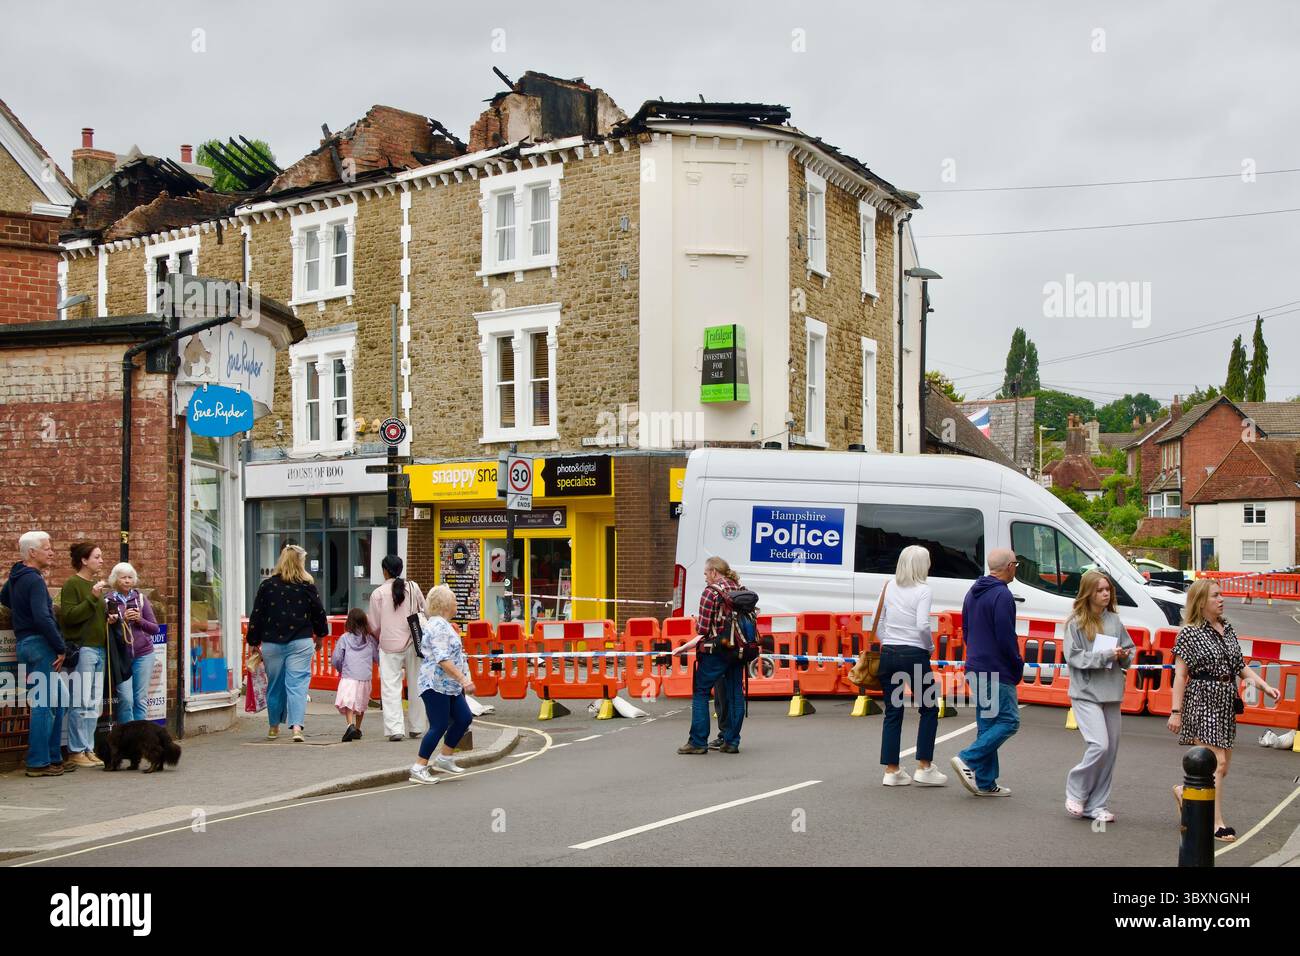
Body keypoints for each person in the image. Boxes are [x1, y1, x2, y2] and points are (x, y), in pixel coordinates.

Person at [1168, 579, 1280, 842]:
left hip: (1226, 700)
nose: (1222, 599)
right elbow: (1180, 675)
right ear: (1201, 601)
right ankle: (1215, 822)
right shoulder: (1189, 633)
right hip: (1202, 699)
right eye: (1216, 595)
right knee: (1216, 763)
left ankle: (1186, 792)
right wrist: (1176, 711)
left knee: (1223, 766)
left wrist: (1264, 686)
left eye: (1221, 594)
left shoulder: (1227, 628)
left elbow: (1240, 666)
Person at [1063, 570, 1135, 823]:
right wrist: (1105, 656)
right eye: (1100, 590)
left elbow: (1130, 649)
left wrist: (1124, 655)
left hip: (1111, 692)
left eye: (1108, 590)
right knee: (1099, 745)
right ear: (1088, 593)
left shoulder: (1114, 620)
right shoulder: (1076, 623)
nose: (1105, 594)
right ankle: (1076, 790)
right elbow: (1074, 658)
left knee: (1111, 750)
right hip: (1085, 693)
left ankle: (1097, 805)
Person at [951, 547, 1023, 796]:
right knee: (1009, 721)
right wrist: (1016, 663)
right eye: (1016, 564)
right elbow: (1006, 637)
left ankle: (985, 781)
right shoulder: (1002, 595)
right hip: (996, 667)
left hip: (976, 664)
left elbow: (967, 629)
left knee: (988, 722)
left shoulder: (973, 592)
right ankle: (968, 758)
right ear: (1009, 566)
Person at [1, 532, 72, 777]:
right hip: (41, 646)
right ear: (32, 552)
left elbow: (4, 598)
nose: (51, 552)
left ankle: (53, 757)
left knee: (59, 700)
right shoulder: (34, 580)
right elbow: (42, 617)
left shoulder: (16, 576)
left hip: (27, 643)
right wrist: (60, 647)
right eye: (47, 548)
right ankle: (38, 762)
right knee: (44, 706)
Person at [878, 545, 947, 787]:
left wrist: (887, 642)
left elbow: (880, 624)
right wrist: (928, 647)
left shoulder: (888, 586)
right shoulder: (923, 590)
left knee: (893, 711)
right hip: (914, 653)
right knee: (929, 708)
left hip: (888, 652)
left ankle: (891, 770)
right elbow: (922, 625)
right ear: (921, 565)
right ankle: (924, 766)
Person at [246, 545, 329, 743]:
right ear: (300, 562)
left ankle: (273, 727)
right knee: (297, 685)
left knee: (274, 685)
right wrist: (320, 636)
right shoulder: (307, 586)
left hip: (272, 644)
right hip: (300, 642)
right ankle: (297, 728)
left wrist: (253, 641)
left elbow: (257, 614)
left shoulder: (267, 586)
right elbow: (319, 612)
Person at [676, 556, 746, 755]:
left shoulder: (711, 592)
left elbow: (703, 628)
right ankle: (731, 741)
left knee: (701, 692)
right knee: (735, 693)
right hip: (738, 649)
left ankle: (698, 741)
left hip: (717, 650)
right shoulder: (740, 589)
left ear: (714, 572)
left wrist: (697, 622)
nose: (706, 578)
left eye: (706, 573)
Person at [409, 585, 475, 784]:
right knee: (438, 726)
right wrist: (463, 679)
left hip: (449, 685)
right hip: (435, 684)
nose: (457, 603)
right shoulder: (437, 626)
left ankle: (445, 758)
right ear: (446, 604)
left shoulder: (444, 625)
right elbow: (442, 658)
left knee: (464, 718)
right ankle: (419, 767)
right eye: (454, 600)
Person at [60, 542, 111, 768]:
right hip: (84, 649)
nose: (101, 561)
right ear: (84, 560)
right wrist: (92, 597)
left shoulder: (94, 585)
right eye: (97, 557)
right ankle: (76, 750)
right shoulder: (73, 584)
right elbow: (69, 616)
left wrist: (109, 618)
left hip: (100, 648)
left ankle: (88, 747)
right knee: (80, 701)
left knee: (93, 703)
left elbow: (93, 615)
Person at [368, 555, 429, 742]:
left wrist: (380, 637)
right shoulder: (413, 587)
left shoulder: (377, 594)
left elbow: (374, 625)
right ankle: (417, 727)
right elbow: (425, 611)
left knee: (390, 688)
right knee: (417, 684)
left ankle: (395, 729)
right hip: (413, 641)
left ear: (384, 571)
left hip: (388, 645)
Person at [105, 562, 160, 723]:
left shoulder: (141, 599)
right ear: (115, 580)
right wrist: (122, 621)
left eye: (130, 577)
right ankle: (127, 737)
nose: (127, 581)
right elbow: (107, 630)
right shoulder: (109, 601)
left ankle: (140, 737)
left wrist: (139, 620)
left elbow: (154, 628)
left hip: (144, 654)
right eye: (123, 578)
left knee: (140, 699)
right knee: (126, 699)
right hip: (121, 657)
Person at [332, 608, 379, 742]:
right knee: (361, 702)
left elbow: (336, 658)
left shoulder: (344, 638)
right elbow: (376, 657)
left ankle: (350, 725)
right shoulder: (369, 639)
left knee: (349, 703)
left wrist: (341, 668)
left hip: (349, 676)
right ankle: (358, 728)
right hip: (365, 677)